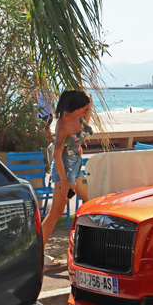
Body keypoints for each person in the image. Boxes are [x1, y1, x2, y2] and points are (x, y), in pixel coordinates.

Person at [41, 91, 93, 252]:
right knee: (56, 213)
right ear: (75, 108)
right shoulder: (63, 126)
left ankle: (88, 245)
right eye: (85, 109)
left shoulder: (78, 118)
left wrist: (88, 104)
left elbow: (86, 123)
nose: (87, 112)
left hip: (76, 169)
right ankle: (37, 253)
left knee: (92, 202)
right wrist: (64, 183)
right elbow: (57, 155)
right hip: (66, 172)